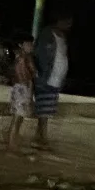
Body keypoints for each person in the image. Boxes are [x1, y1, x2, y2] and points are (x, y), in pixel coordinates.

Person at [32, 12, 72, 150]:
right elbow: (40, 55)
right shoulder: (47, 35)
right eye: (67, 22)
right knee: (44, 108)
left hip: (56, 78)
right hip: (46, 77)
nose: (69, 26)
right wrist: (40, 74)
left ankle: (39, 136)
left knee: (47, 108)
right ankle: (43, 138)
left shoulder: (63, 37)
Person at [5, 32, 36, 152]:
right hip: (21, 89)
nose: (30, 46)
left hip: (22, 88)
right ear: (21, 45)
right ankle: (12, 144)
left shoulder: (23, 57)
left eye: (31, 44)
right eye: (28, 44)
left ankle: (13, 142)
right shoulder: (23, 58)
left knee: (19, 117)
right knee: (17, 117)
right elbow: (27, 74)